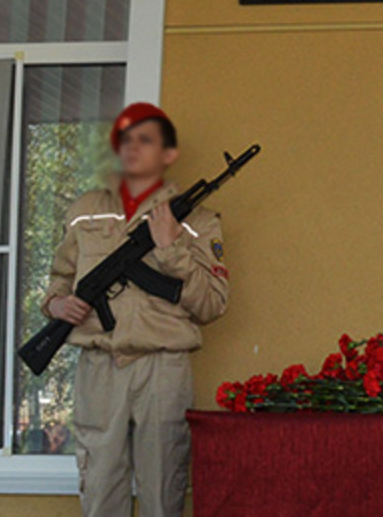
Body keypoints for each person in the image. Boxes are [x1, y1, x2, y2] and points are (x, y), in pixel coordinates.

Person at [43, 102, 230, 517]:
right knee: (100, 487)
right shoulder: (84, 212)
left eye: (145, 140)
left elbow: (213, 303)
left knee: (164, 488)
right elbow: (58, 279)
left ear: (168, 155)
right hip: (99, 364)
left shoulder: (196, 220)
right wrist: (57, 304)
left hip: (163, 366)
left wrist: (172, 248)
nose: (131, 148)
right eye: (124, 139)